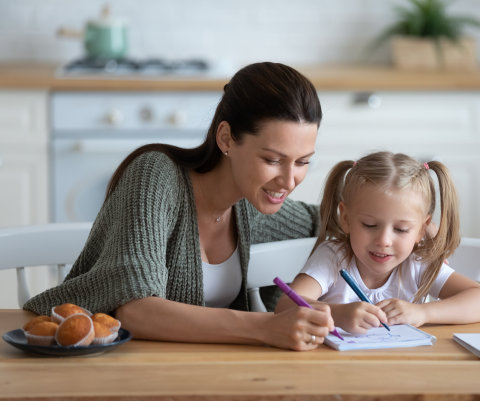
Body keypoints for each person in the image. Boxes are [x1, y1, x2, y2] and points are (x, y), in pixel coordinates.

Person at [23, 62, 335, 351]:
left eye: (303, 162)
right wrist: (266, 327)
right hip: (125, 373)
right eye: (272, 160)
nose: (289, 180)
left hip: (207, 373)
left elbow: (334, 221)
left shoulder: (251, 207)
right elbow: (136, 310)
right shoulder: (154, 177)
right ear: (226, 139)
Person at [275, 151, 480, 334]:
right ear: (346, 218)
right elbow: (285, 306)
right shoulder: (334, 257)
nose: (383, 241)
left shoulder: (418, 263)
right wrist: (337, 314)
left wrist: (423, 313)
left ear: (422, 229)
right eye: (370, 225)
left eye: (401, 229)